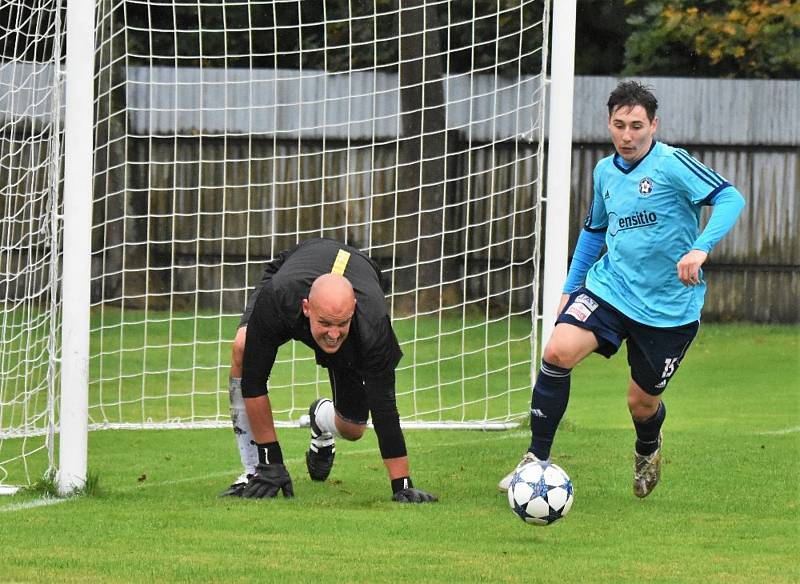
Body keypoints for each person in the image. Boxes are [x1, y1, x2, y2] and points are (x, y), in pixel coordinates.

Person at [499, 81, 745, 497]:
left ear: (654, 125)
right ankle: (536, 458)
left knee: (641, 404)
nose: (627, 136)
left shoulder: (673, 164)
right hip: (611, 290)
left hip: (669, 310)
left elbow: (730, 198)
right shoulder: (604, 172)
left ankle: (648, 445)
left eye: (636, 126)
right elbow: (595, 232)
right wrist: (571, 287)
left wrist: (700, 248)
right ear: (608, 124)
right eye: (619, 125)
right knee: (557, 350)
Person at [220, 237, 437, 503]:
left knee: (353, 429)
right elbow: (253, 381)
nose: (333, 335)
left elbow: (384, 406)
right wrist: (271, 461)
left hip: (361, 276)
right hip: (298, 265)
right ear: (306, 308)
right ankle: (255, 471)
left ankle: (320, 419)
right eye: (325, 323)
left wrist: (401, 485)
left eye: (341, 324)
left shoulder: (373, 325)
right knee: (243, 347)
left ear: (353, 310)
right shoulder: (279, 297)